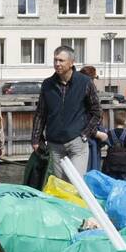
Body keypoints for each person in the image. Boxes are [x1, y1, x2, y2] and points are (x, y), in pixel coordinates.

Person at [31, 47, 105, 181]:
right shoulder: (47, 84)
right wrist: (36, 139)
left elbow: (97, 111)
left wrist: (85, 133)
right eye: (55, 60)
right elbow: (41, 113)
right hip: (55, 144)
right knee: (60, 185)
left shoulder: (85, 82)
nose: (57, 64)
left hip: (76, 142)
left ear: (71, 63)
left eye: (61, 60)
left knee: (76, 183)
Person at [79, 66, 105, 173]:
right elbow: (81, 120)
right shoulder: (83, 93)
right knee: (90, 174)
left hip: (89, 138)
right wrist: (97, 133)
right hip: (88, 141)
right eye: (93, 79)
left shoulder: (79, 90)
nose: (94, 83)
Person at [103, 115, 126, 180]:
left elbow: (103, 143)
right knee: (124, 182)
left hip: (111, 164)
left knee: (112, 182)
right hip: (124, 164)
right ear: (125, 122)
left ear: (115, 122)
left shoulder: (109, 133)